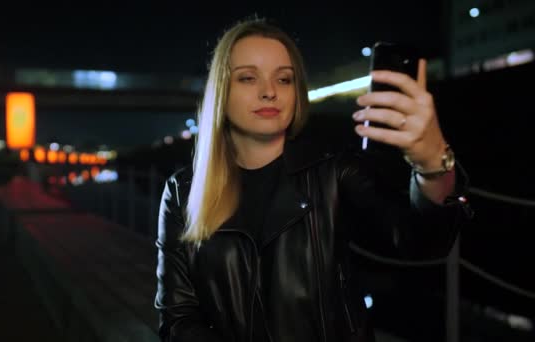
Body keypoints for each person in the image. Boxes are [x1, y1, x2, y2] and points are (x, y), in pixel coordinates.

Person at [154, 17, 471, 342]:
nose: (269, 92)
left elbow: (419, 240)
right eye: (248, 78)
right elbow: (178, 320)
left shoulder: (334, 172)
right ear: (221, 90)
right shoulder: (183, 191)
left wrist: (434, 166)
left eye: (285, 79)